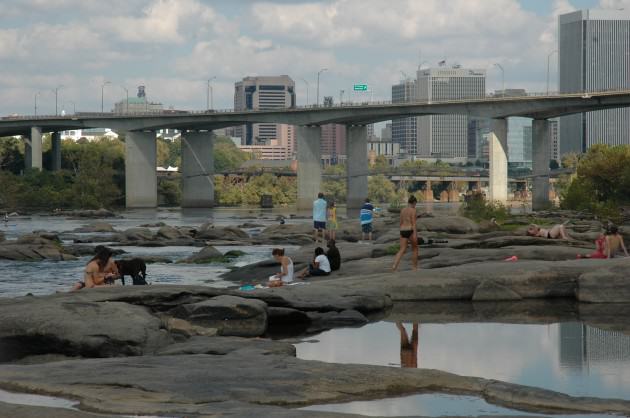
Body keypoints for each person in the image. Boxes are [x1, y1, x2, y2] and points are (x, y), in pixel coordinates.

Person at [392, 196, 418, 271]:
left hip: (402, 230)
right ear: (413, 203)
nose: (415, 205)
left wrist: (400, 232)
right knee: (415, 249)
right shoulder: (413, 210)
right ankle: (414, 268)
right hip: (410, 230)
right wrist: (415, 233)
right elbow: (413, 223)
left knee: (402, 249)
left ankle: (394, 266)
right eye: (415, 204)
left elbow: (401, 222)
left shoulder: (402, 210)